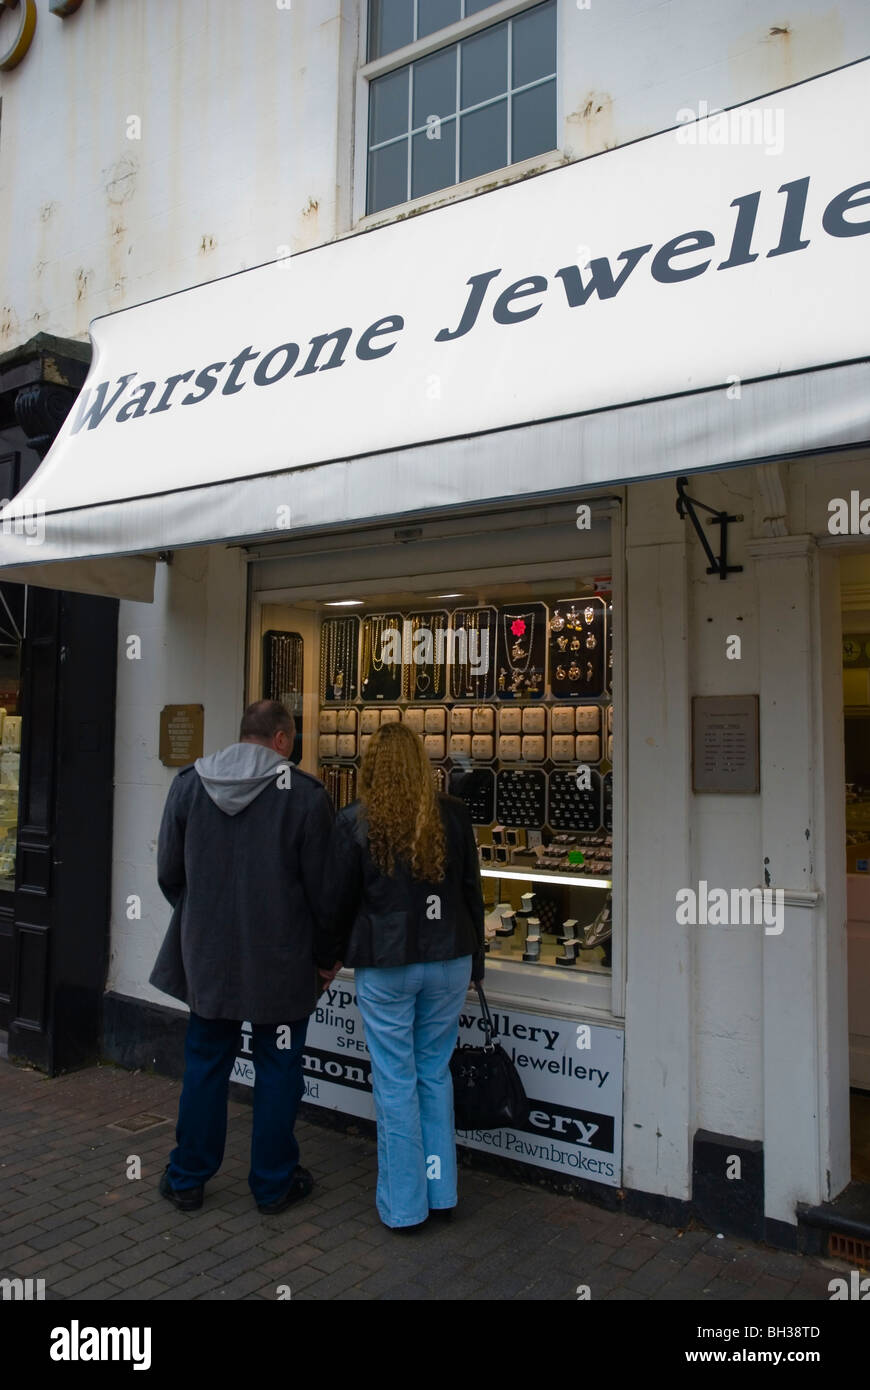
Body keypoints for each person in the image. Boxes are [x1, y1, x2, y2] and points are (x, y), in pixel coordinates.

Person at [150, 699, 335, 1215]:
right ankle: (273, 1184)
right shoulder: (303, 796)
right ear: (280, 738)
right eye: (292, 739)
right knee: (278, 1070)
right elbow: (323, 892)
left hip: (208, 958)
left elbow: (169, 873)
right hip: (281, 960)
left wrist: (204, 923)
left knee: (206, 1065)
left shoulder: (188, 785)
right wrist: (326, 958)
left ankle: (187, 1178)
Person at [319, 721, 485, 1230]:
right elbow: (471, 894)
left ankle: (406, 1206)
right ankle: (442, 1193)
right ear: (420, 763)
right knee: (433, 1074)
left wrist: (326, 960)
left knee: (395, 1083)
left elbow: (334, 905)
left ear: (373, 766)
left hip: (388, 964)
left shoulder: (354, 821)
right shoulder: (453, 817)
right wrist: (476, 962)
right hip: (449, 961)